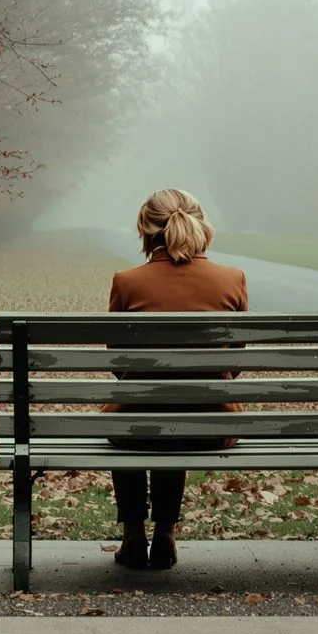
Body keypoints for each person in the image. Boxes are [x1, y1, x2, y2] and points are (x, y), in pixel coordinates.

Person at [106, 188, 248, 571]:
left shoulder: (126, 281)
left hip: (137, 423)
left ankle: (134, 532)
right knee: (183, 408)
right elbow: (236, 361)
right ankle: (166, 534)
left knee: (136, 415)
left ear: (146, 230)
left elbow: (118, 361)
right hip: (212, 423)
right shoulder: (232, 279)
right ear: (201, 225)